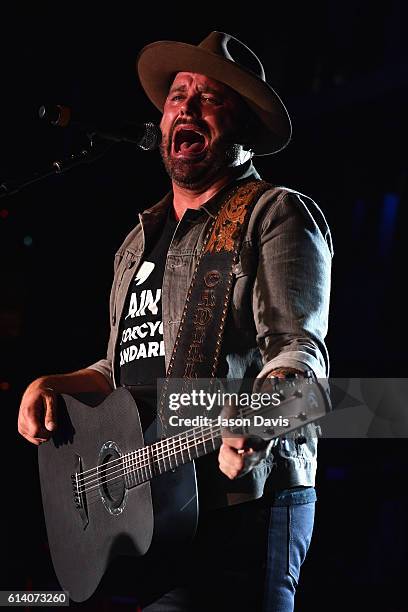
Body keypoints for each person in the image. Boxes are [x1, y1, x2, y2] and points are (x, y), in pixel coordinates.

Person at [18, 31, 332, 611]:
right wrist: (55, 384)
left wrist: (260, 421)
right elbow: (122, 370)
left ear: (242, 129)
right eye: (177, 95)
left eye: (210, 98)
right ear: (162, 125)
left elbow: (299, 359)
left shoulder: (273, 213)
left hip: (241, 506)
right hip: (154, 510)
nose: (186, 105)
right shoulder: (136, 242)